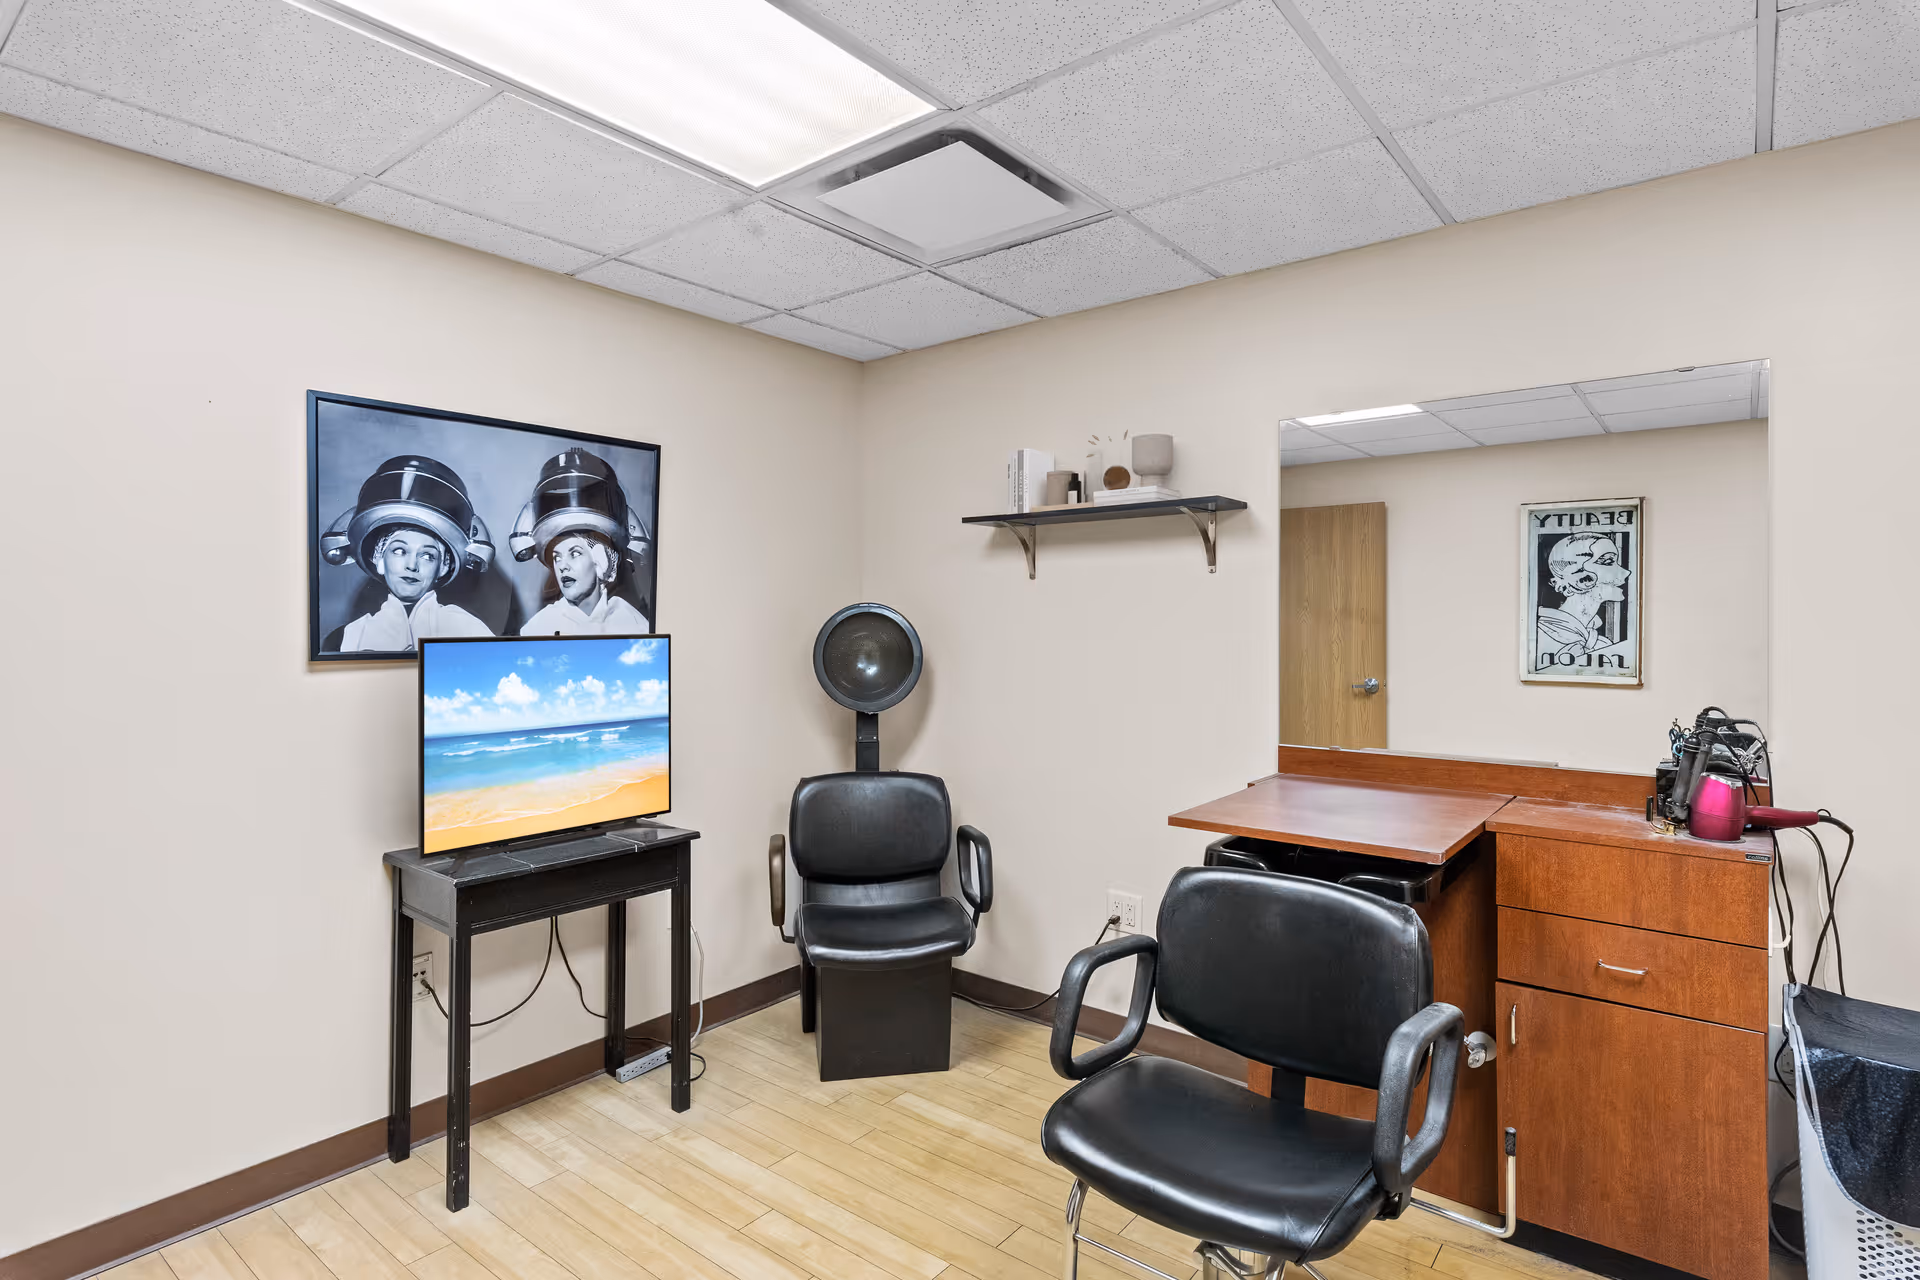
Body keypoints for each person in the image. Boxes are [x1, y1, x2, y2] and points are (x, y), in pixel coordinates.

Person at [319, 455, 495, 652]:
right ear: (379, 559)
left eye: (427, 555)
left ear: (443, 566)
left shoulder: (471, 632)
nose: (412, 565)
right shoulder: (345, 639)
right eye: (400, 550)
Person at [510, 449, 654, 635]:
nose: (562, 566)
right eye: (556, 557)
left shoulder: (632, 622)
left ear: (601, 561)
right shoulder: (537, 629)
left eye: (575, 553)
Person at [1535, 532, 1631, 659]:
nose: (1626, 572)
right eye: (1608, 562)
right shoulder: (1541, 636)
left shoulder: (1601, 643)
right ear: (1581, 578)